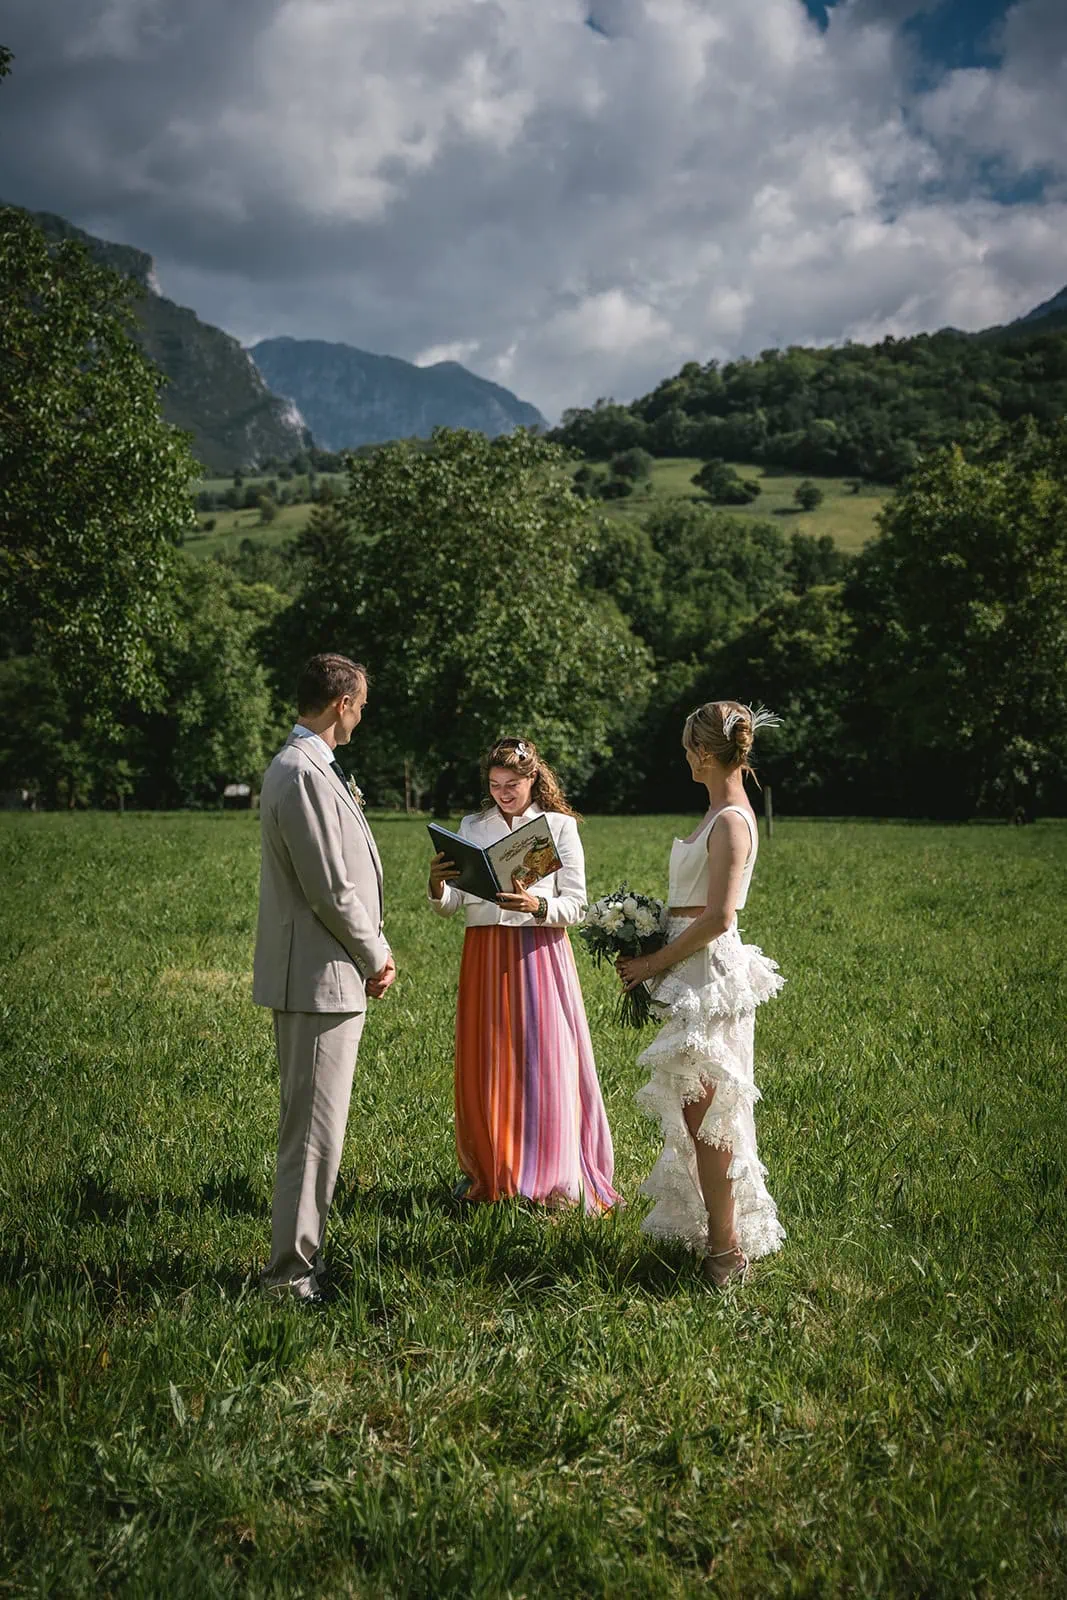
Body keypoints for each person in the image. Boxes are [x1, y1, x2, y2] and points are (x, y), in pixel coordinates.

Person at [617, 702, 785, 1288]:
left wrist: (652, 962)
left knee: (712, 1116)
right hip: (686, 971)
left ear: (706, 753)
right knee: (696, 1115)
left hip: (707, 977)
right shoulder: (716, 811)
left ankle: (726, 1249)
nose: (685, 756)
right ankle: (712, 1235)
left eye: (689, 747)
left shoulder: (732, 821)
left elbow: (718, 916)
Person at [253, 653, 396, 1304]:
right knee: (311, 1136)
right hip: (318, 975)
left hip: (322, 974)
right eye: (360, 704)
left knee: (315, 1131)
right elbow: (330, 889)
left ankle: (299, 1263)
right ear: (341, 703)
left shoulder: (309, 767)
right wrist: (375, 953)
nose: (362, 715)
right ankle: (290, 1276)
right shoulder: (302, 772)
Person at [428, 738, 620, 1213]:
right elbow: (454, 903)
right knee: (489, 1060)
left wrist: (537, 905)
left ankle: (554, 1175)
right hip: (484, 952)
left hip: (539, 949)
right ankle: (497, 1167)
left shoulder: (557, 827)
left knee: (545, 1058)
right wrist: (437, 885)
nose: (502, 793)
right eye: (494, 785)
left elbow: (576, 904)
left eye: (511, 784)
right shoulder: (473, 826)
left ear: (533, 779)